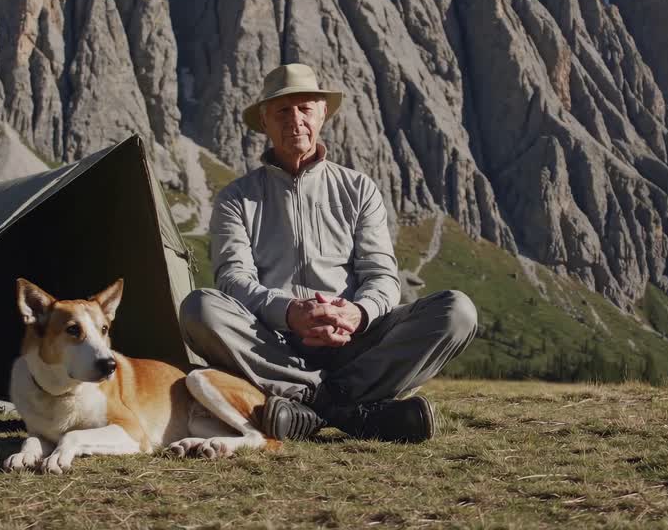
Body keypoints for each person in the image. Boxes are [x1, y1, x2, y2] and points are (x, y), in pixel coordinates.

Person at [179, 63, 478, 443]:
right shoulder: (235, 199)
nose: (295, 121)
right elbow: (232, 279)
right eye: (282, 112)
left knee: (458, 312)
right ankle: (350, 411)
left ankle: (311, 408)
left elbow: (383, 277)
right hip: (274, 345)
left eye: (305, 108)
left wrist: (358, 312)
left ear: (322, 113)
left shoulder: (358, 189)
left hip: (355, 342)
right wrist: (289, 312)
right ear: (265, 124)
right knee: (199, 308)